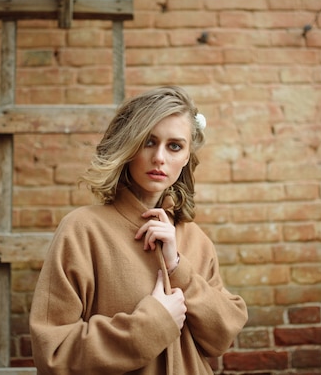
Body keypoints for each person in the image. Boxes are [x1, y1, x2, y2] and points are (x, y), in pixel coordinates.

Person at [29, 86, 248, 375]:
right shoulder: (82, 230)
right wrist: (151, 324)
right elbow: (52, 352)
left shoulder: (196, 240)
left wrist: (177, 267)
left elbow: (221, 338)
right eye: (148, 142)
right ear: (129, 146)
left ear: (186, 158)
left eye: (174, 146)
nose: (160, 157)